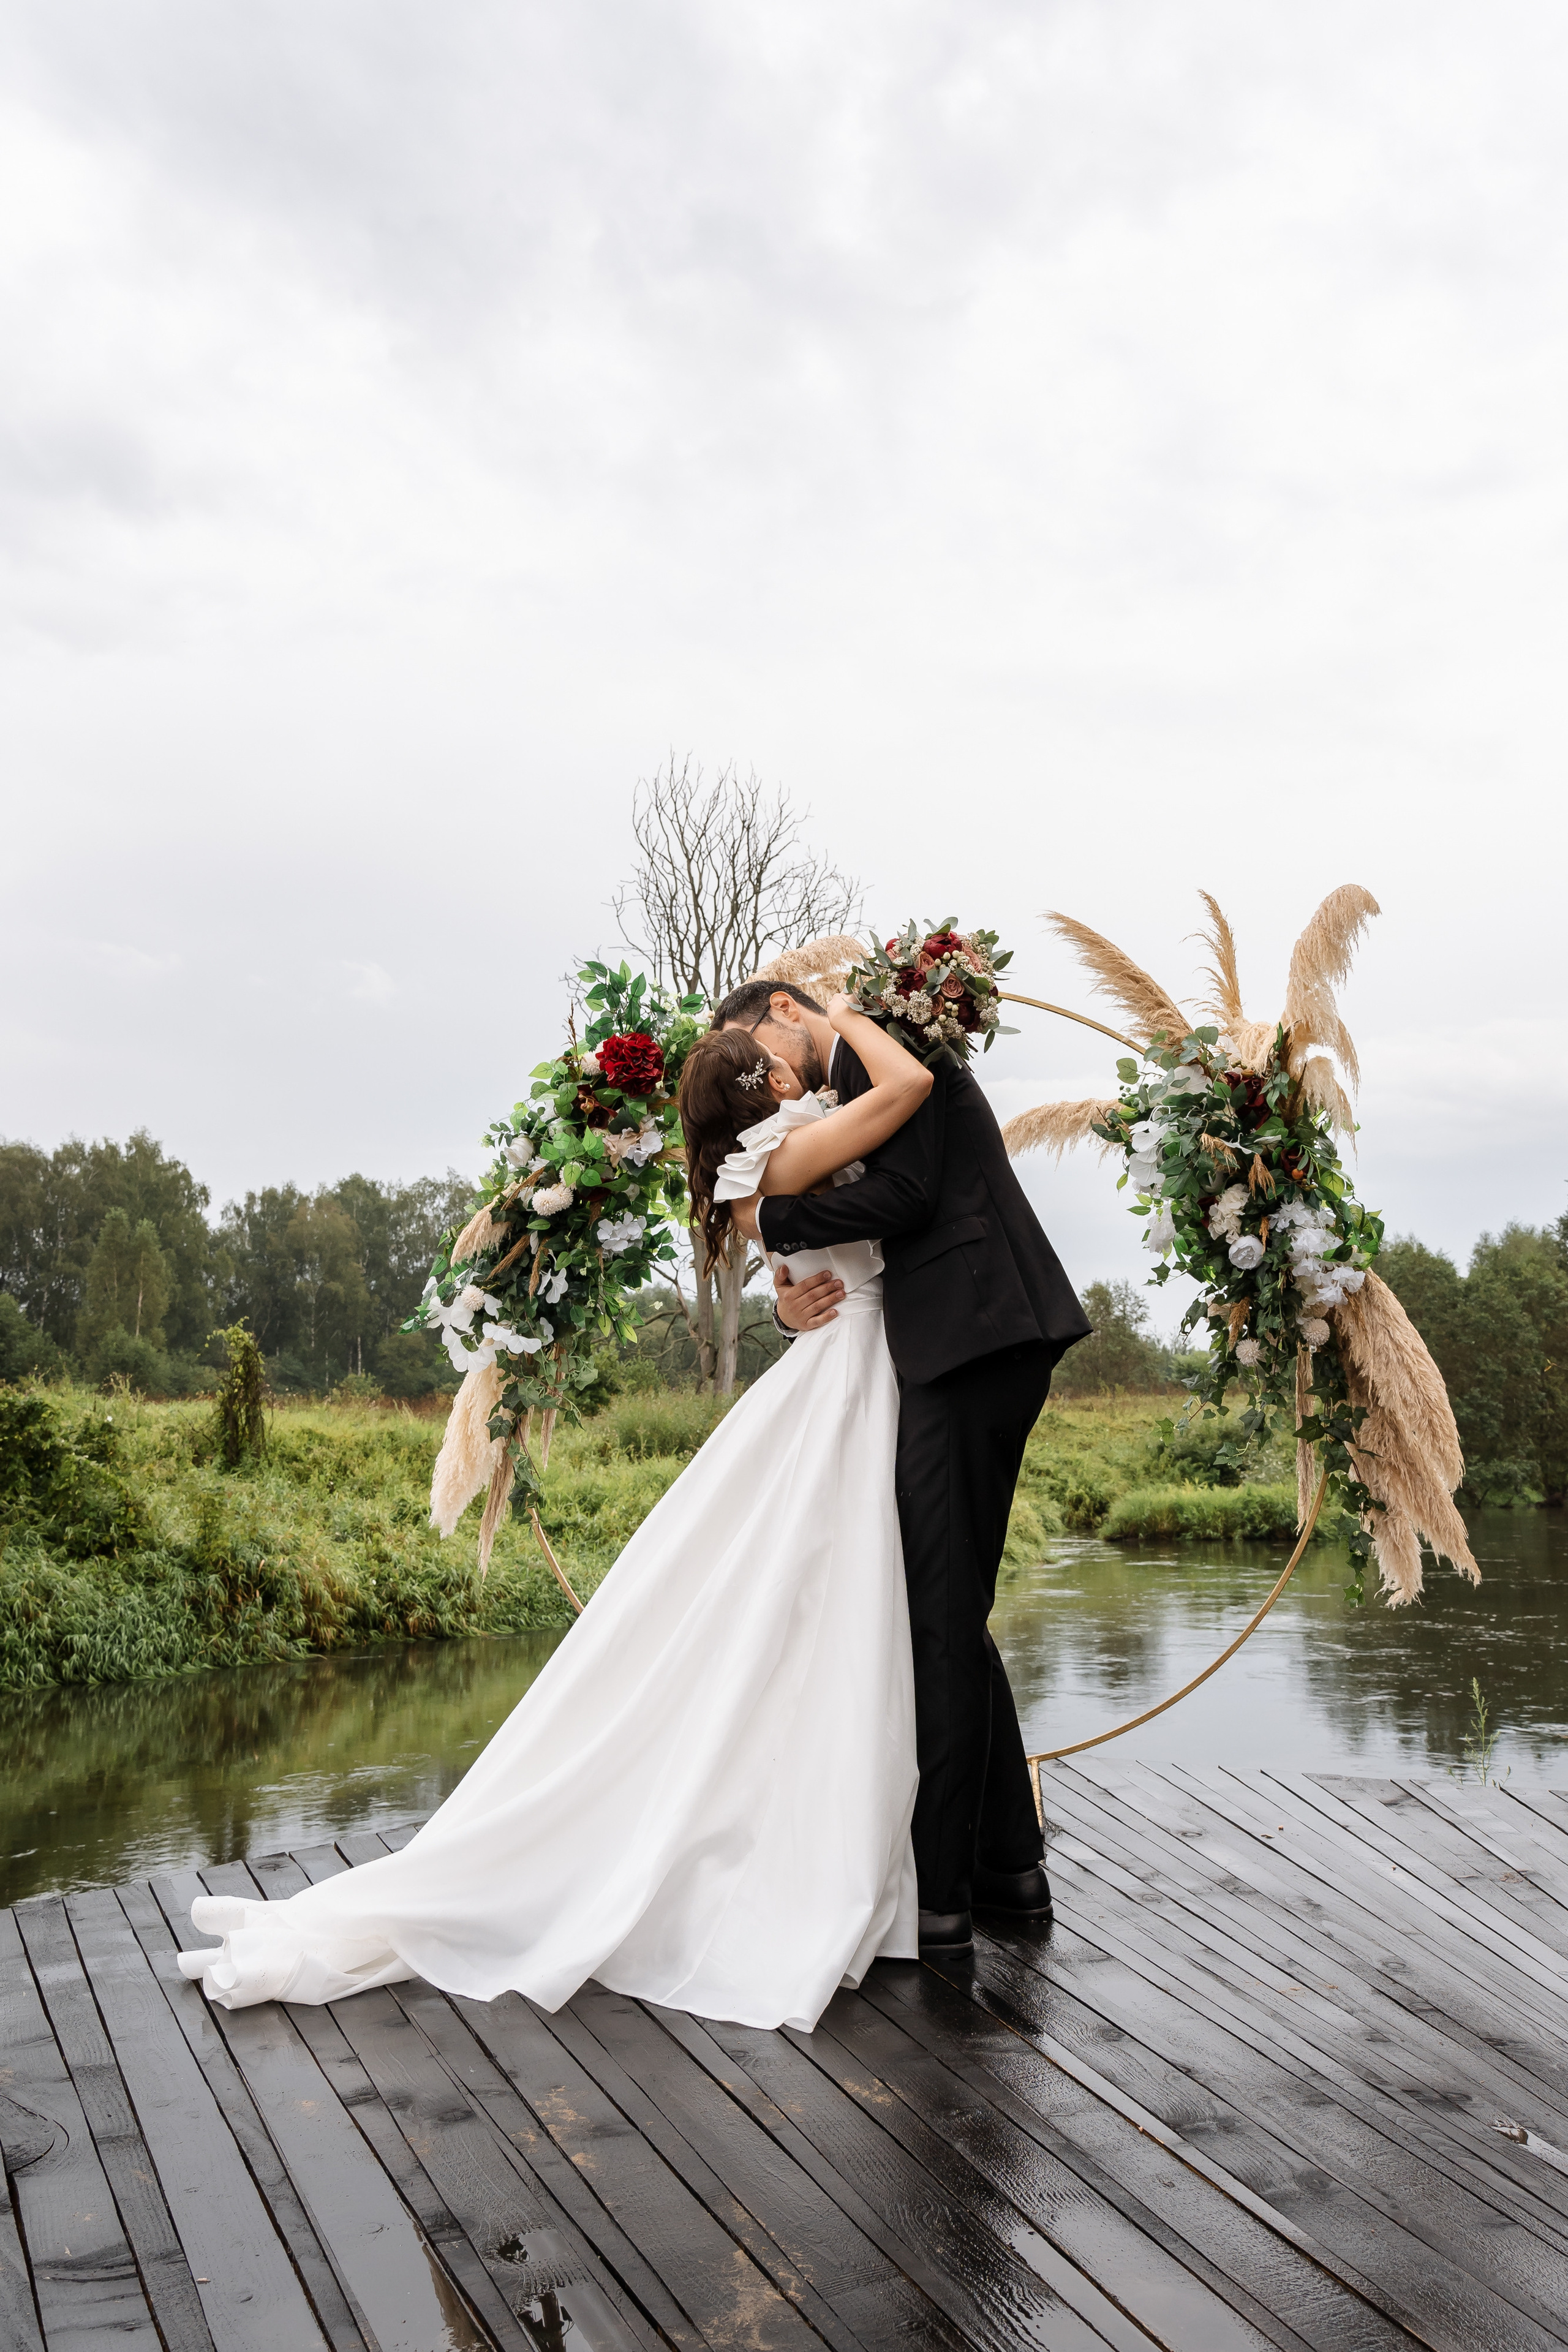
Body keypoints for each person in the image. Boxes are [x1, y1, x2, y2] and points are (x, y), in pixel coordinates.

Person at [178, 996, 935, 2034]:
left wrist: (782, 1291)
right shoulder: (796, 1140)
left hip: (843, 1366)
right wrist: (848, 1010)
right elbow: (906, 1101)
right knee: (832, 1598)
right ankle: (823, 1860)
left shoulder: (747, 1168)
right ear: (766, 1088)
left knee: (810, 1599)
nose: (797, 1064)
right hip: (856, 1376)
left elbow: (792, 1251)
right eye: (776, 1059)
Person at [714, 977, 1090, 1956]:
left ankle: (944, 1893)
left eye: (756, 1041)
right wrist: (787, 1290)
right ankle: (1006, 1865)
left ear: (788, 1009)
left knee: (935, 1614)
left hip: (972, 1338)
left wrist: (773, 1219)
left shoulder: (888, 1059)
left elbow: (912, 1196)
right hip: (942, 1348)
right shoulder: (845, 1088)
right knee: (946, 1605)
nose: (765, 1071)